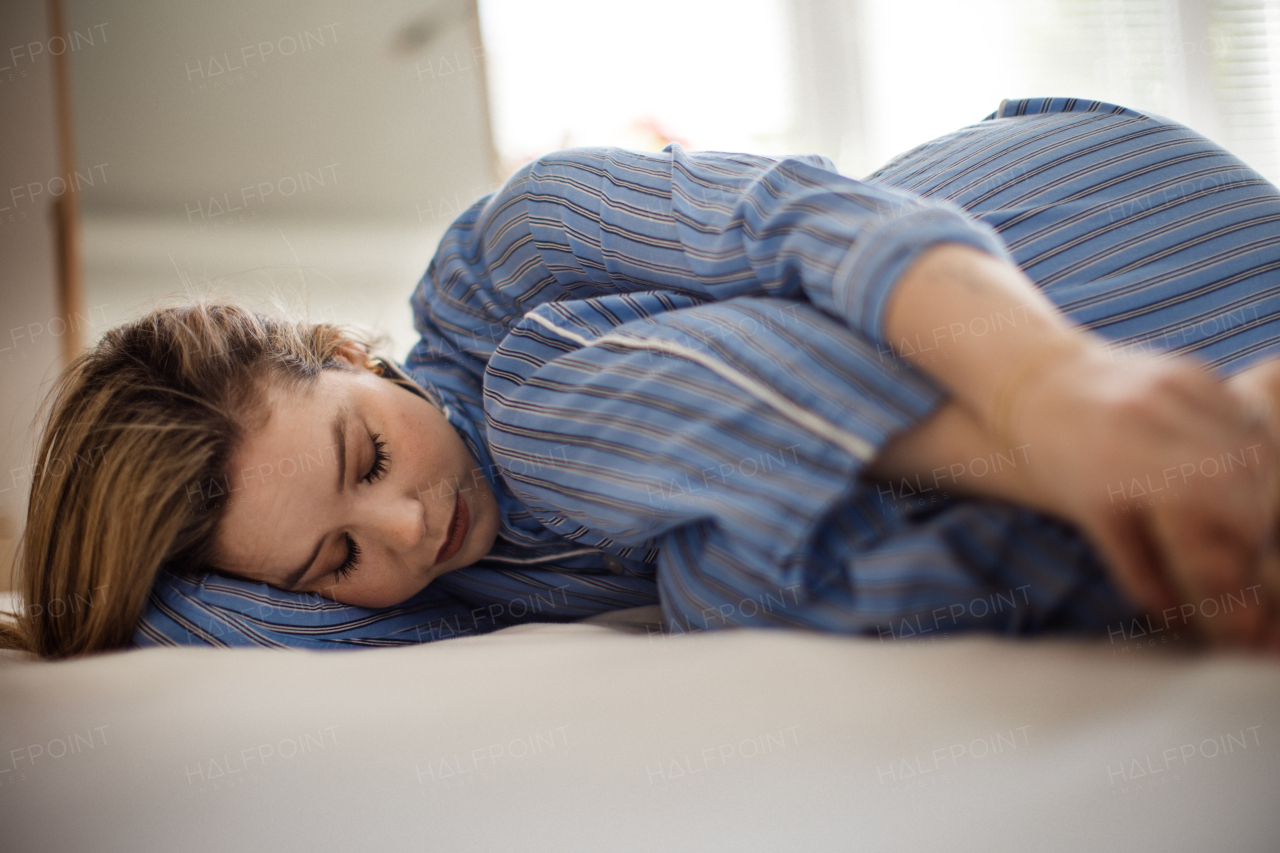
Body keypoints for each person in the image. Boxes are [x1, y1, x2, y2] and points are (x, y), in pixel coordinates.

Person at [4, 96, 1280, 659]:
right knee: (716, 587)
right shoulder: (407, 595)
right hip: (1213, 388)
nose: (404, 530)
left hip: (1072, 258)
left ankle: (1083, 464)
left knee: (535, 399)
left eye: (368, 457)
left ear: (349, 356)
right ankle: (1205, 520)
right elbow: (171, 616)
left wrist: (1053, 389)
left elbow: (807, 221)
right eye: (333, 562)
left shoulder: (513, 261)